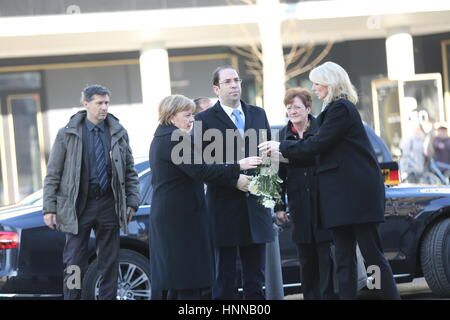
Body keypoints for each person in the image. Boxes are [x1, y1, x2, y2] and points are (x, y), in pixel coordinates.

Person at [259, 61, 400, 300]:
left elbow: (318, 144)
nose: (313, 88)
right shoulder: (331, 111)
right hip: (339, 200)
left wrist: (281, 145)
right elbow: (315, 156)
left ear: (331, 82)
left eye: (316, 83)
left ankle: (383, 296)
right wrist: (280, 155)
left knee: (372, 256)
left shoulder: (341, 108)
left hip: (358, 197)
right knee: (343, 258)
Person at [149, 94, 261, 300]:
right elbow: (201, 171)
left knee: (178, 280)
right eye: (188, 115)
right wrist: (238, 166)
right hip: (179, 217)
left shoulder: (164, 136)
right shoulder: (175, 138)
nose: (193, 119)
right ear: (172, 116)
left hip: (174, 214)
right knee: (186, 279)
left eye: (193, 114)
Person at [43, 85, 140, 300]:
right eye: (99, 103)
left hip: (109, 204)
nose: (104, 107)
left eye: (106, 103)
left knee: (109, 261)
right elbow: (53, 173)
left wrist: (132, 202)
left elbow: (130, 170)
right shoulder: (67, 134)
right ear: (86, 104)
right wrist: (49, 207)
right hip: (78, 206)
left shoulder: (118, 132)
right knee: (74, 262)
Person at [195, 65, 275, 300]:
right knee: (224, 280)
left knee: (255, 280)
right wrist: (234, 180)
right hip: (223, 208)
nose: (234, 85)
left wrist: (268, 192)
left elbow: (269, 159)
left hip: (256, 208)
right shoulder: (204, 120)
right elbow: (202, 168)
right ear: (216, 88)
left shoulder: (258, 114)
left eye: (237, 80)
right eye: (228, 81)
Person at [274, 87, 336, 300]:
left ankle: (328, 297)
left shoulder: (322, 128)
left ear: (308, 108)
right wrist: (280, 205)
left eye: (297, 107)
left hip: (323, 201)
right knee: (305, 258)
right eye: (289, 108)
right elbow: (280, 173)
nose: (293, 111)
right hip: (299, 203)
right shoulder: (283, 134)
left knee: (324, 255)